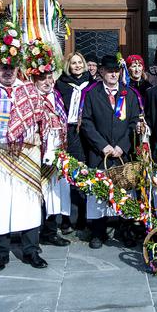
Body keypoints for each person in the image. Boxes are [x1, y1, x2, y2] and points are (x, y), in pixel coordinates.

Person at [0, 23, 56, 271]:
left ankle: (31, 251)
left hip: (27, 154)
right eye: (3, 67)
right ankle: (1, 253)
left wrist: (49, 150)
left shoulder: (29, 91)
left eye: (11, 67)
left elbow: (46, 122)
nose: (7, 72)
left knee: (28, 205)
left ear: (18, 68)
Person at [80, 55, 141, 249]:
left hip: (122, 154)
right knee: (99, 193)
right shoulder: (92, 93)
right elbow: (87, 122)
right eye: (109, 70)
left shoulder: (128, 94)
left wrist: (122, 146)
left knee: (124, 192)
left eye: (116, 70)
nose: (113, 74)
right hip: (100, 154)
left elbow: (133, 122)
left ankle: (126, 231)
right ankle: (98, 232)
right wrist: (102, 145)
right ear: (101, 72)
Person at [25, 40, 71, 247]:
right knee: (37, 195)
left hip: (56, 152)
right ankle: (34, 233)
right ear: (34, 79)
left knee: (55, 193)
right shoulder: (29, 97)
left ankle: (51, 231)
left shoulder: (57, 96)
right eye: (42, 78)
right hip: (36, 152)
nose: (47, 81)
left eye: (49, 77)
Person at [55, 52, 95, 231]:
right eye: (73, 63)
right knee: (68, 173)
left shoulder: (93, 84)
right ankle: (65, 216)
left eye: (80, 62)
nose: (77, 65)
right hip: (69, 132)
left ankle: (83, 215)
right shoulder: (61, 84)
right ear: (68, 66)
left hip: (87, 132)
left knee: (85, 174)